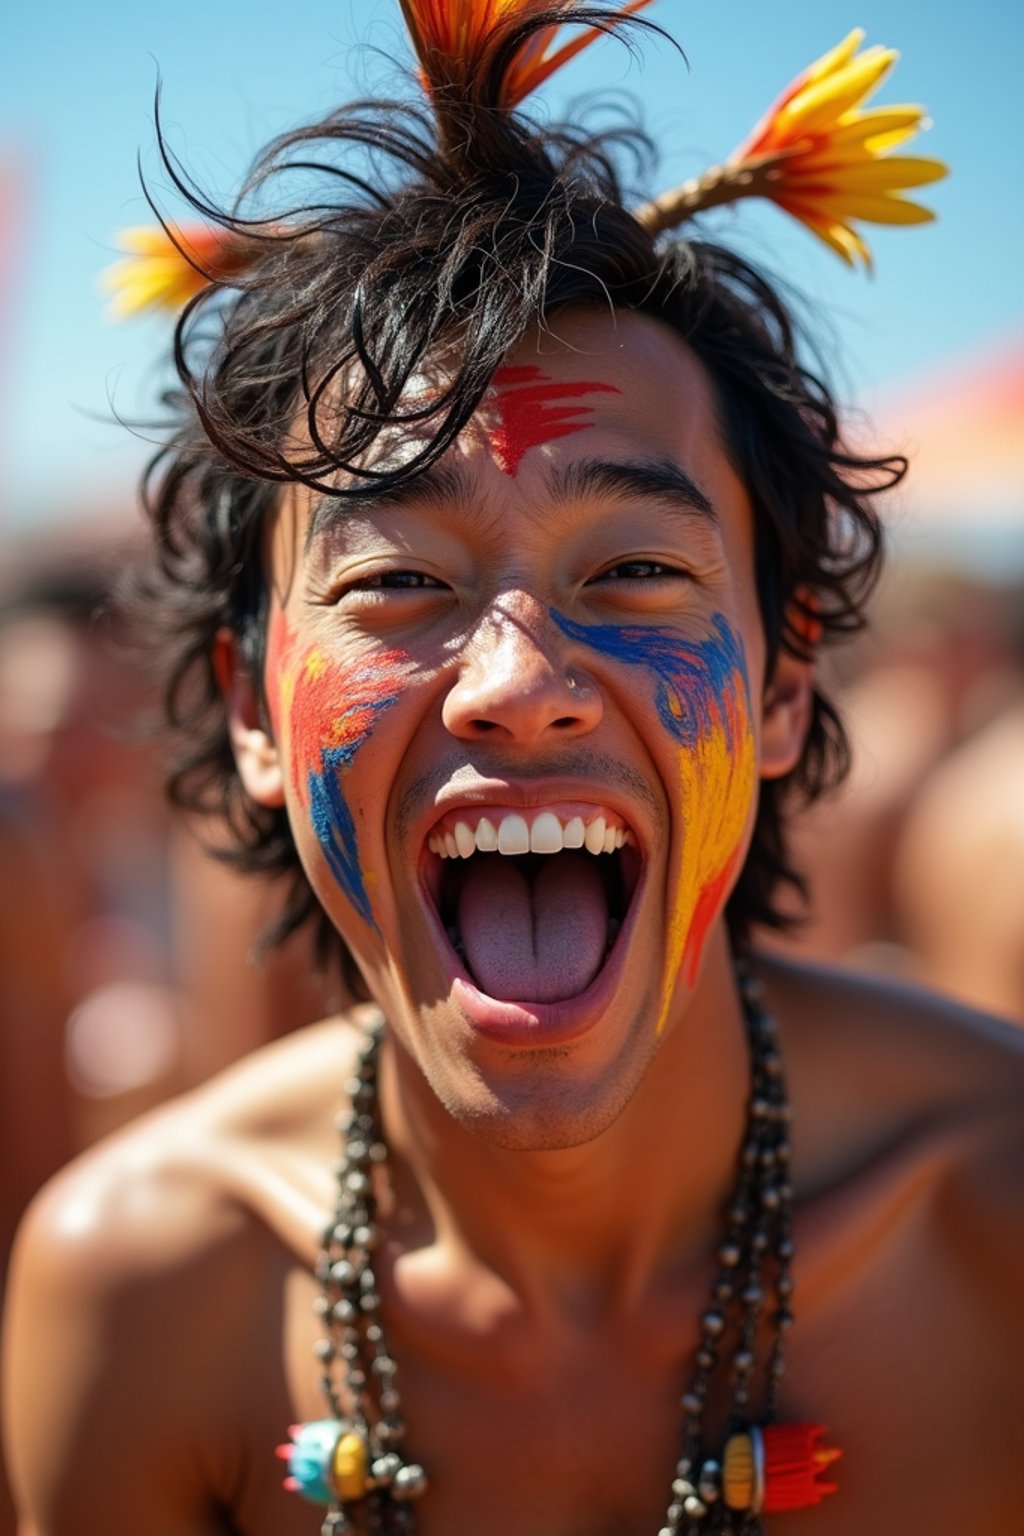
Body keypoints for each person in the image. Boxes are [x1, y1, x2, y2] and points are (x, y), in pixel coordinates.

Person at [4, 6, 1022, 1534]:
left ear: (786, 685)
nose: (519, 687)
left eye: (631, 573)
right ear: (254, 716)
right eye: (396, 585)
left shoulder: (996, 1226)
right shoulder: (148, 1290)